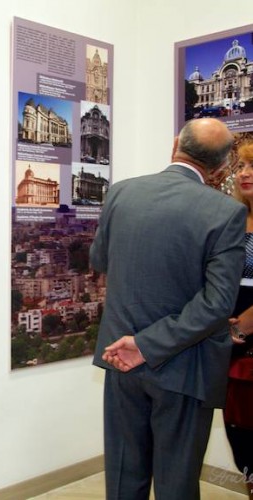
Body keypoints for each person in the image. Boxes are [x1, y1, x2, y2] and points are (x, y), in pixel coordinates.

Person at [90, 118, 247, 500]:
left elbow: (99, 260)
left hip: (121, 358)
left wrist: (136, 343)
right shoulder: (225, 212)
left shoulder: (122, 192)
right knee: (176, 482)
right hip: (185, 366)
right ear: (221, 167)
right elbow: (217, 304)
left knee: (123, 477)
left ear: (175, 143)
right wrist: (146, 345)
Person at [224, 142, 253, 500]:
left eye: (252, 166)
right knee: (242, 439)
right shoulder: (231, 218)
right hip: (230, 344)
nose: (244, 172)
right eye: (242, 166)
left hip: (242, 332)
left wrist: (242, 325)